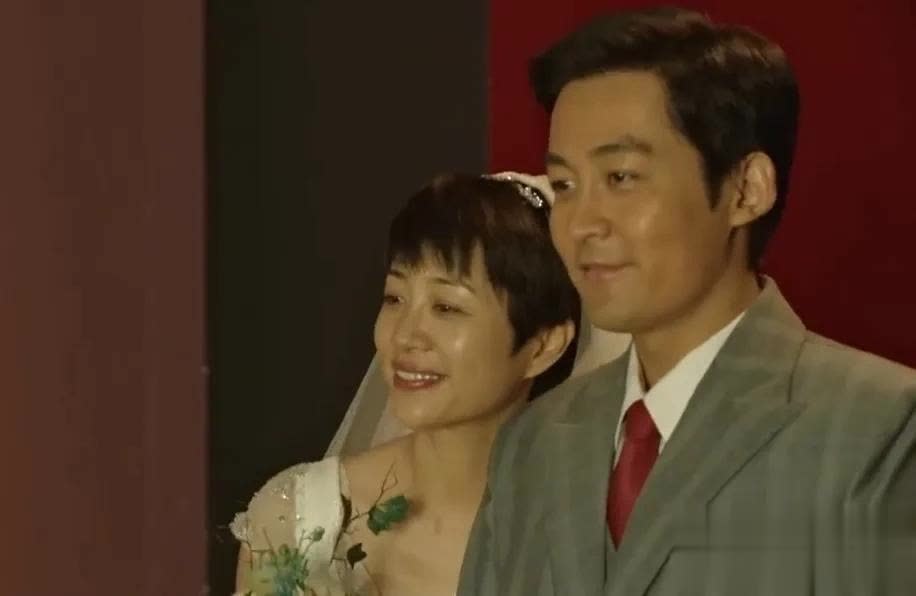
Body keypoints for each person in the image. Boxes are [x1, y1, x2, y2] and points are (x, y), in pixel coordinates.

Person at [458, 7, 916, 596]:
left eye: (621, 178)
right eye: (566, 185)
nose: (581, 224)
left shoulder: (881, 430)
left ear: (746, 189)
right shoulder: (534, 442)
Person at [231, 173, 581, 595]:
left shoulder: (586, 534)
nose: (404, 335)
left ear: (543, 346)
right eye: (394, 298)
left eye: (446, 307)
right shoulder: (299, 518)